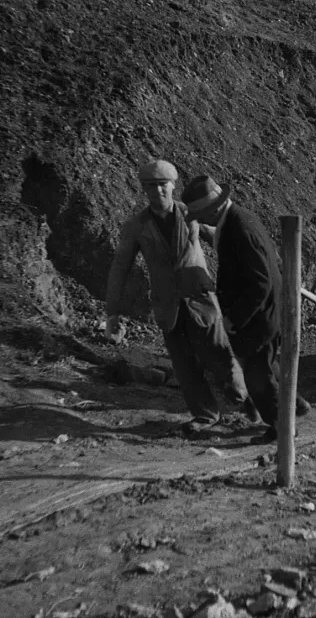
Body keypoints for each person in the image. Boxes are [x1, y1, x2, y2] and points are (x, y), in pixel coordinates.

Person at [105, 160, 252, 435]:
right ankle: (205, 416)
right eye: (151, 187)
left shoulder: (192, 213)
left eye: (163, 186)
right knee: (185, 367)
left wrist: (251, 270)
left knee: (222, 360)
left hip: (201, 301)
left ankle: (249, 403)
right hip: (167, 307)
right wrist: (112, 312)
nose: (157, 192)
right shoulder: (136, 226)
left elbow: (223, 238)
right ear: (144, 190)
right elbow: (119, 268)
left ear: (173, 186)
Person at [183, 175, 309, 444]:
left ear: (215, 209)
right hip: (266, 308)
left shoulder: (238, 228)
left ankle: (281, 427)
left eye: (202, 215)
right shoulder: (237, 219)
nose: (202, 221)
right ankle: (294, 404)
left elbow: (259, 283)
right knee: (268, 364)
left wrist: (235, 319)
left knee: (256, 375)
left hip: (259, 313)